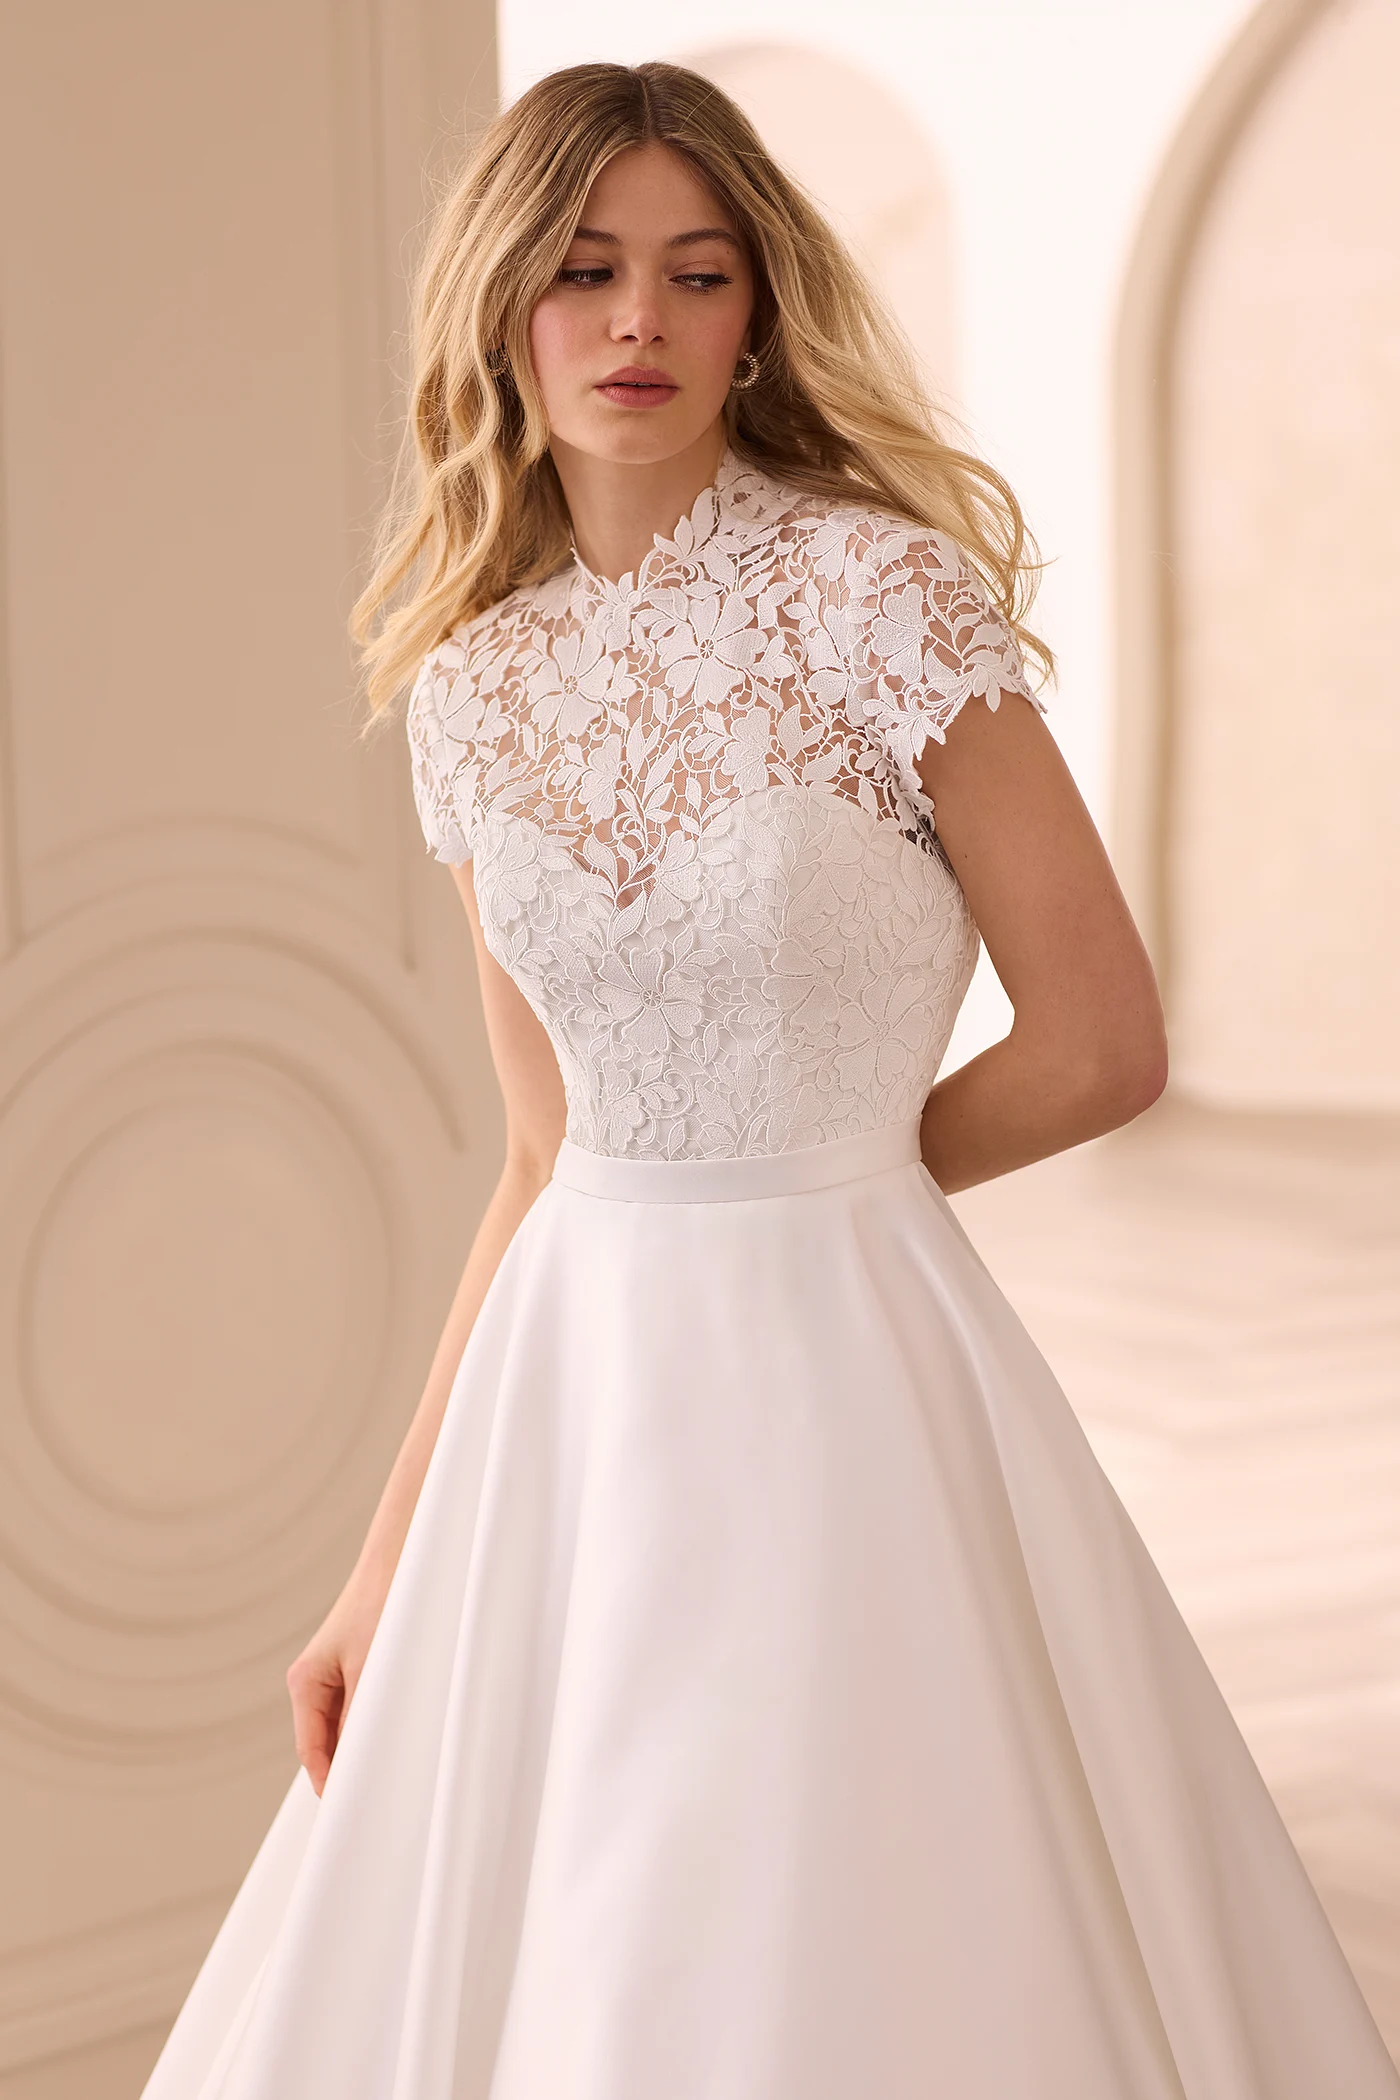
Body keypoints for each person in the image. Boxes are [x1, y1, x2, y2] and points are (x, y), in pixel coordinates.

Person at [140, 59, 1400, 2100]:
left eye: (693, 273)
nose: (635, 320)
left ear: (754, 320)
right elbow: (546, 1149)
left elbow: (1099, 1044)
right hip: (564, 1413)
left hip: (851, 1382)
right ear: (500, 307)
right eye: (583, 268)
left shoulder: (882, 599)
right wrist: (379, 1568)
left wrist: (825, 1185)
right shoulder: (471, 680)